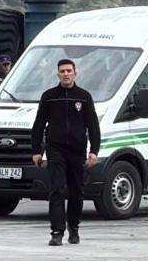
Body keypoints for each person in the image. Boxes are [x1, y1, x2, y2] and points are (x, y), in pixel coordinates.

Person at [31, 59, 100, 246]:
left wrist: (94, 150)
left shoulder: (84, 97)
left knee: (77, 191)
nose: (66, 74)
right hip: (56, 149)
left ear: (75, 73)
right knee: (57, 189)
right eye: (62, 71)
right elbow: (39, 124)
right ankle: (57, 231)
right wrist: (36, 150)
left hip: (77, 150)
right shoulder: (49, 96)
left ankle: (74, 227)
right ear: (58, 74)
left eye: (69, 71)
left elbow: (93, 125)